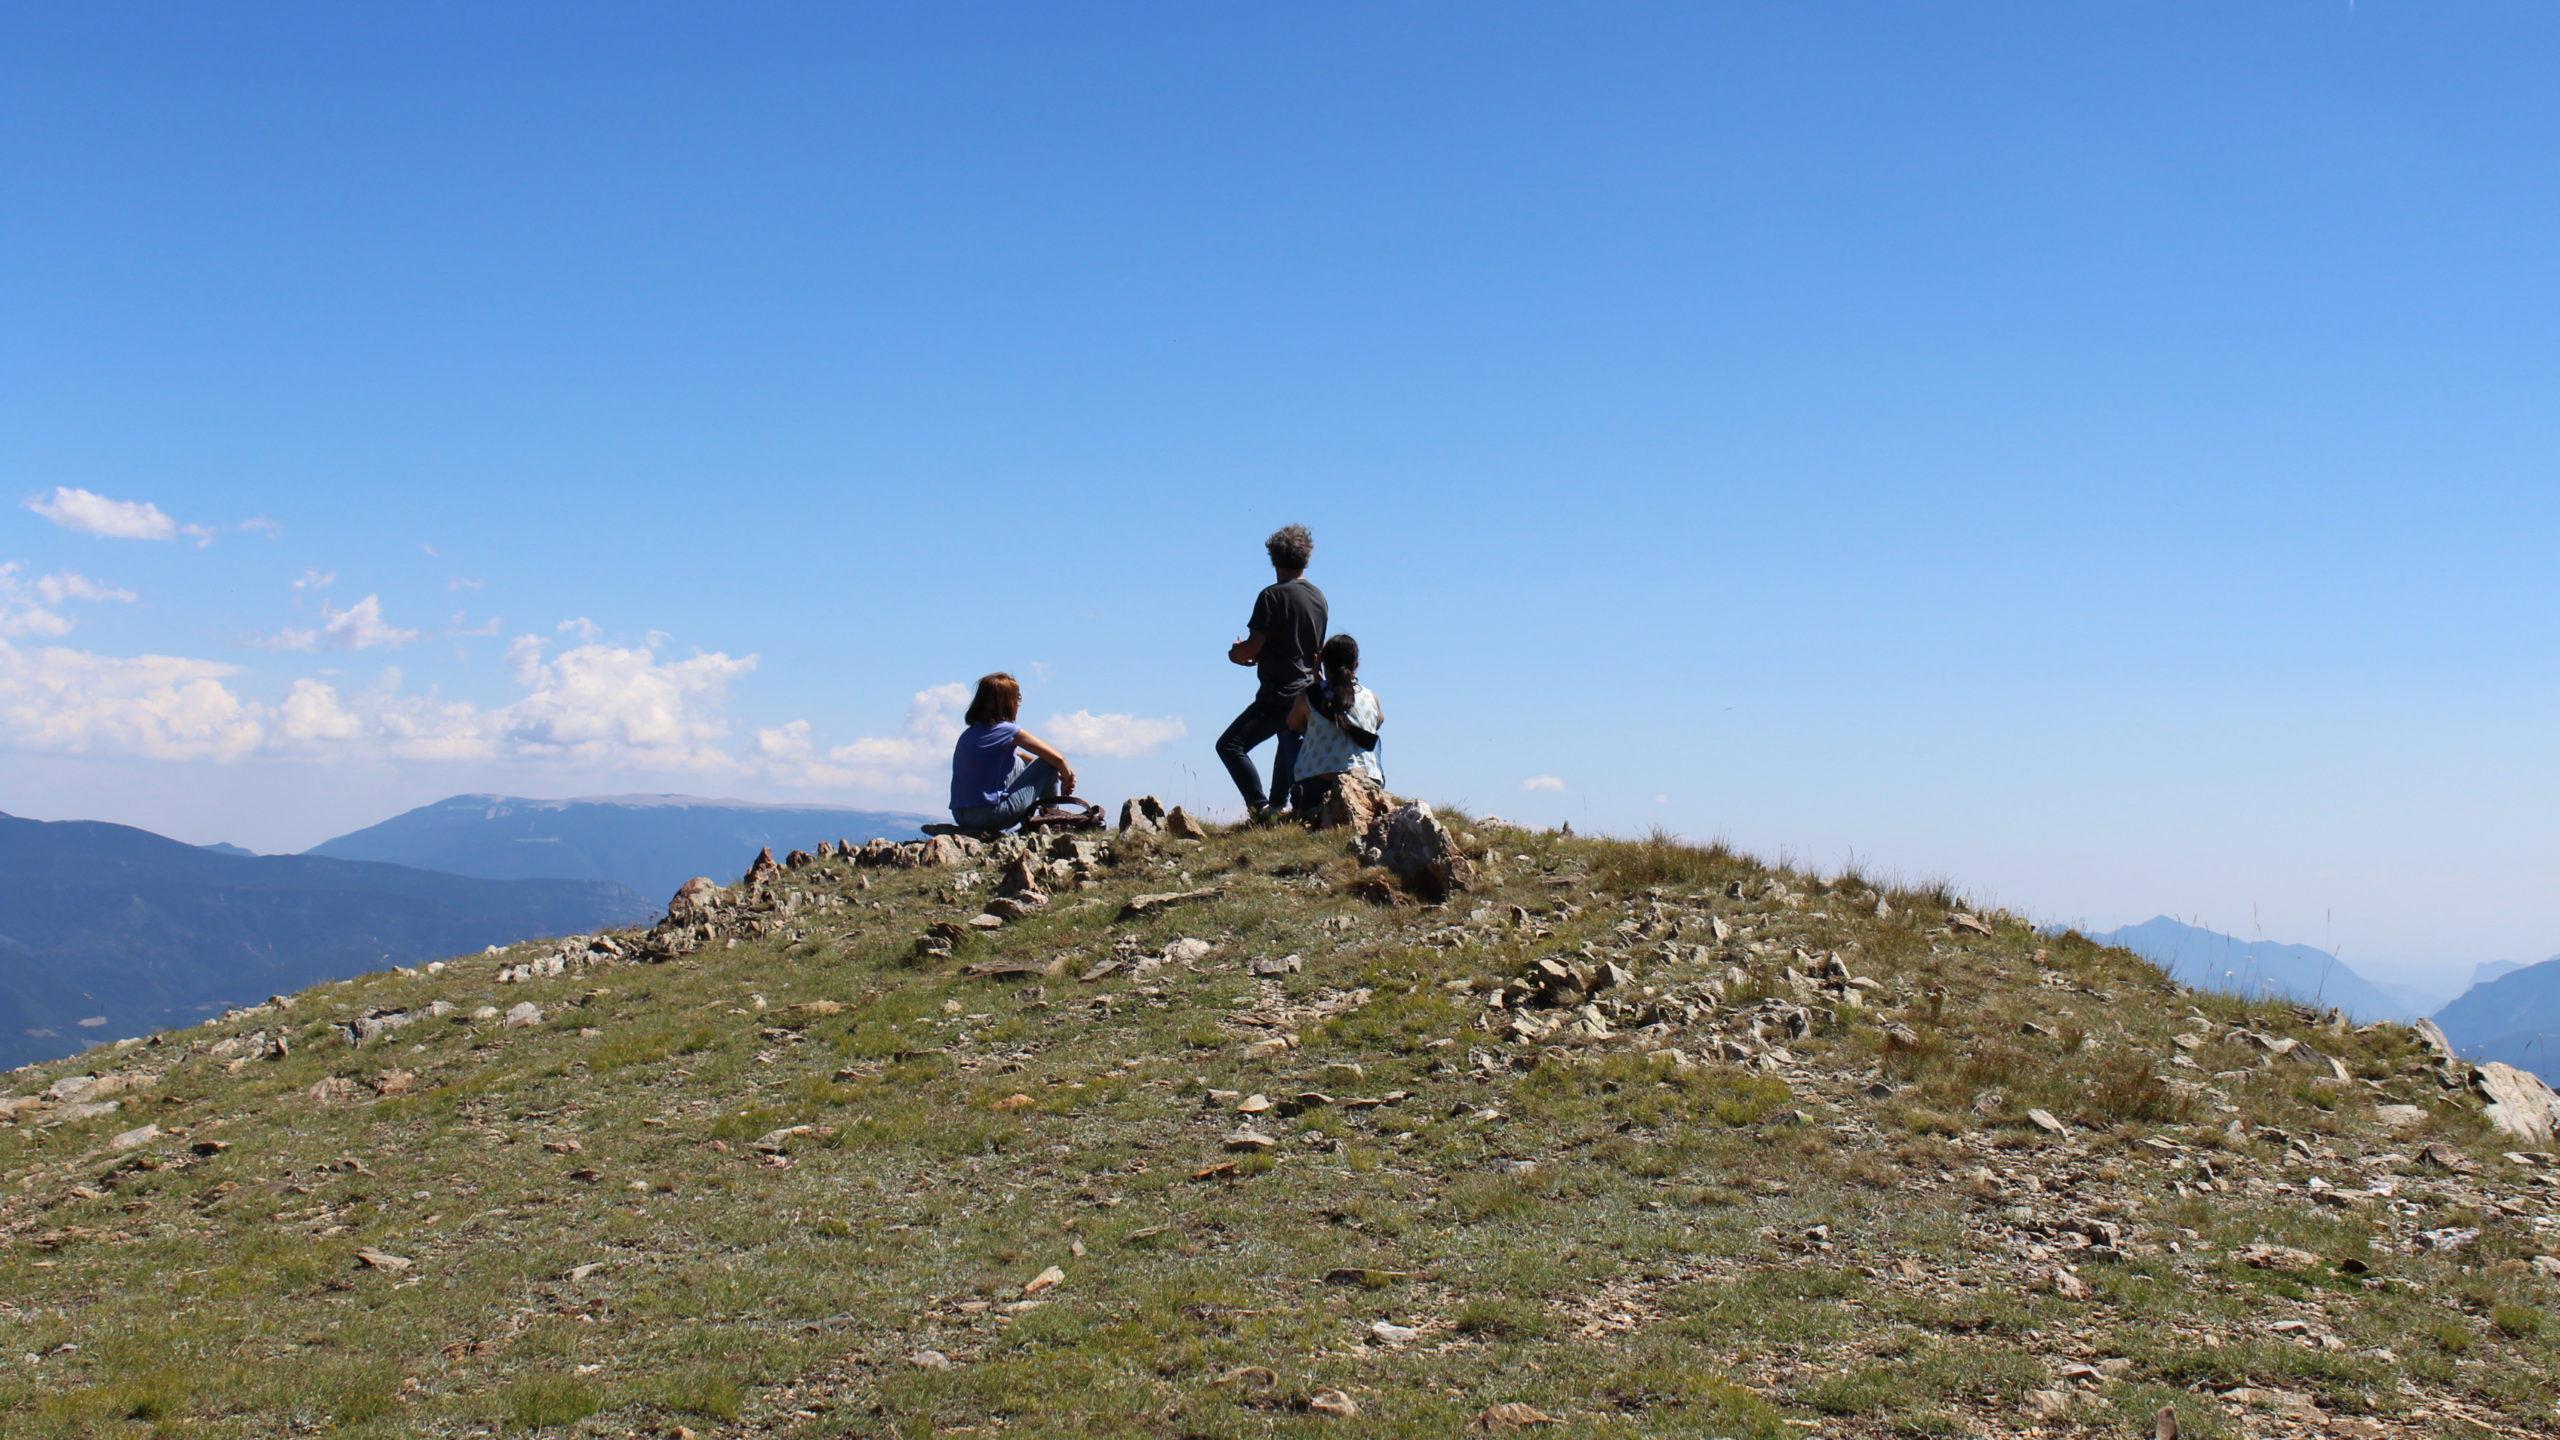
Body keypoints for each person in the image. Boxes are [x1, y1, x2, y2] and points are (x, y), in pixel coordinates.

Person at [1217, 524, 1327, 819]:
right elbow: (1308, 648)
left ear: (1273, 559)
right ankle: (1278, 805)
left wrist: (1235, 653)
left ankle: (1259, 806)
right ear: (1306, 557)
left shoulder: (1271, 596)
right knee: (1285, 735)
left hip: (1277, 692)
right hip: (1306, 691)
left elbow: (1251, 648)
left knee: (1230, 746)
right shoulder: (1318, 598)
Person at [948, 672, 1078, 833]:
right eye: (1018, 698)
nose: (1019, 704)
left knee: (1017, 760)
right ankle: (1053, 820)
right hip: (992, 815)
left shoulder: (970, 734)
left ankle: (1048, 818)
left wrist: (1052, 774)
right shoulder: (1008, 731)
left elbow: (1022, 758)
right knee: (1048, 763)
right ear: (1004, 701)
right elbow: (1058, 759)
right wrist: (1066, 778)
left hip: (961, 816)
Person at [1286, 633, 1385, 828]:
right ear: (1356, 665)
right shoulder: (1371, 697)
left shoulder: (1309, 695)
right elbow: (1379, 721)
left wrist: (1316, 684)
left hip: (1315, 790)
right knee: (1374, 739)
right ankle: (1376, 786)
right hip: (1365, 786)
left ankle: (1288, 801)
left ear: (1323, 662)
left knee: (1288, 734)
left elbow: (1293, 725)